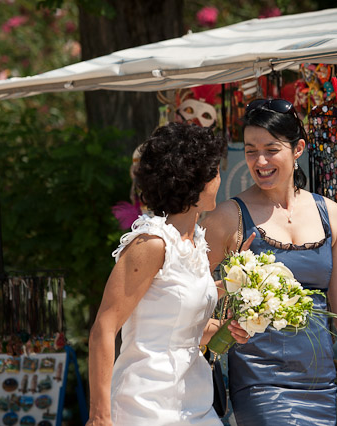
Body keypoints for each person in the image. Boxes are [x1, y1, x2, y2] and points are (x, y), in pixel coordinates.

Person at [201, 99, 337, 426]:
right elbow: (183, 290)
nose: (260, 161)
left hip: (319, 385)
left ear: (298, 148)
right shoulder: (226, 218)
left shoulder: (330, 214)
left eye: (271, 149)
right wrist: (213, 327)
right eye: (250, 150)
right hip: (259, 384)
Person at [86, 122, 250, 426]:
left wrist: (232, 327)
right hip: (144, 406)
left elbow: (185, 333)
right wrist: (99, 416)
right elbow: (103, 329)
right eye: (214, 172)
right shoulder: (150, 244)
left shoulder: (196, 243)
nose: (219, 179)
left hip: (195, 403)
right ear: (193, 181)